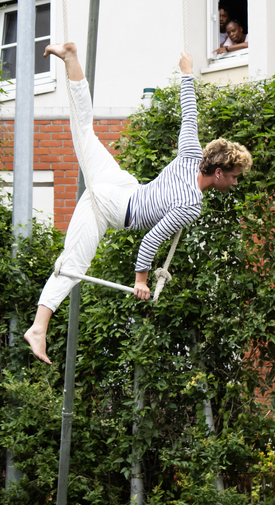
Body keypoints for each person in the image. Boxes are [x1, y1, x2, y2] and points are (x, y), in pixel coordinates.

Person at [23, 43, 252, 364]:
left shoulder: (189, 154)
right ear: (218, 172)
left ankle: (72, 61)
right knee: (74, 262)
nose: (235, 182)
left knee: (83, 130)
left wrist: (188, 73)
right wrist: (141, 280)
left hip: (122, 187)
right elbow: (151, 238)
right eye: (234, 176)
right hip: (115, 205)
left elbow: (190, 115)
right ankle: (38, 328)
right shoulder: (191, 203)